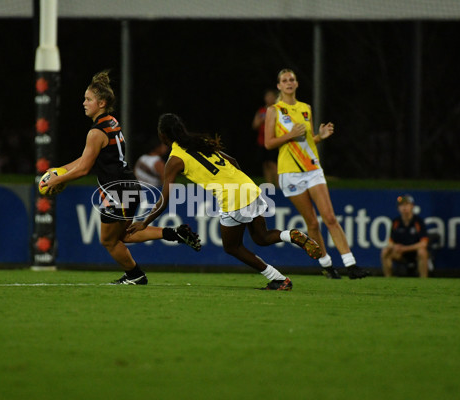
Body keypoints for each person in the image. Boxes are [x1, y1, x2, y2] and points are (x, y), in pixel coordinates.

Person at [127, 113, 322, 291]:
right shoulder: (200, 142)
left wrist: (144, 222)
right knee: (261, 237)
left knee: (232, 247)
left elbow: (165, 198)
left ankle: (279, 279)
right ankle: (291, 235)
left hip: (233, 198)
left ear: (163, 136)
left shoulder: (175, 159)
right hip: (248, 186)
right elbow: (234, 161)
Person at [41, 71, 201, 285]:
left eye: (89, 99)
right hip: (128, 187)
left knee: (108, 240)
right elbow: (86, 158)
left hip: (117, 192)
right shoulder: (111, 122)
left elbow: (84, 168)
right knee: (124, 235)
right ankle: (174, 234)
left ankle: (136, 275)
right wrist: (61, 168)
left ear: (102, 102)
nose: (84, 103)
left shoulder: (95, 132)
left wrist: (57, 180)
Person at [264, 68, 369, 280]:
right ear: (279, 86)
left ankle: (351, 264)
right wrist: (290, 135)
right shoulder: (274, 110)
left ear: (296, 83)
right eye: (284, 80)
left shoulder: (305, 108)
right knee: (312, 223)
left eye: (292, 79)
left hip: (312, 169)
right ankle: (326, 264)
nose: (289, 83)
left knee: (329, 216)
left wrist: (319, 137)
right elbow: (268, 143)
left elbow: (307, 141)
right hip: (290, 174)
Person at [381, 194, 429, 278]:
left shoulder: (418, 221)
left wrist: (405, 248)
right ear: (398, 208)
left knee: (422, 252)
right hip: (400, 254)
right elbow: (390, 242)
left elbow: (424, 243)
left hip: (414, 252)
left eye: (407, 204)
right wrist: (395, 246)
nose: (404, 207)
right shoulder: (396, 222)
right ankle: (388, 278)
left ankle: (423, 279)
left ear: (412, 206)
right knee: (385, 251)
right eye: (401, 205)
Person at [251, 89, 279, 186]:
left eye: (271, 97)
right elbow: (255, 125)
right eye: (267, 97)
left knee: (273, 163)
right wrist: (263, 119)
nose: (269, 99)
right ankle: (269, 185)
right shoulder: (261, 111)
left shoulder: (278, 110)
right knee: (266, 164)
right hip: (262, 142)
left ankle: (279, 187)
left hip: (274, 142)